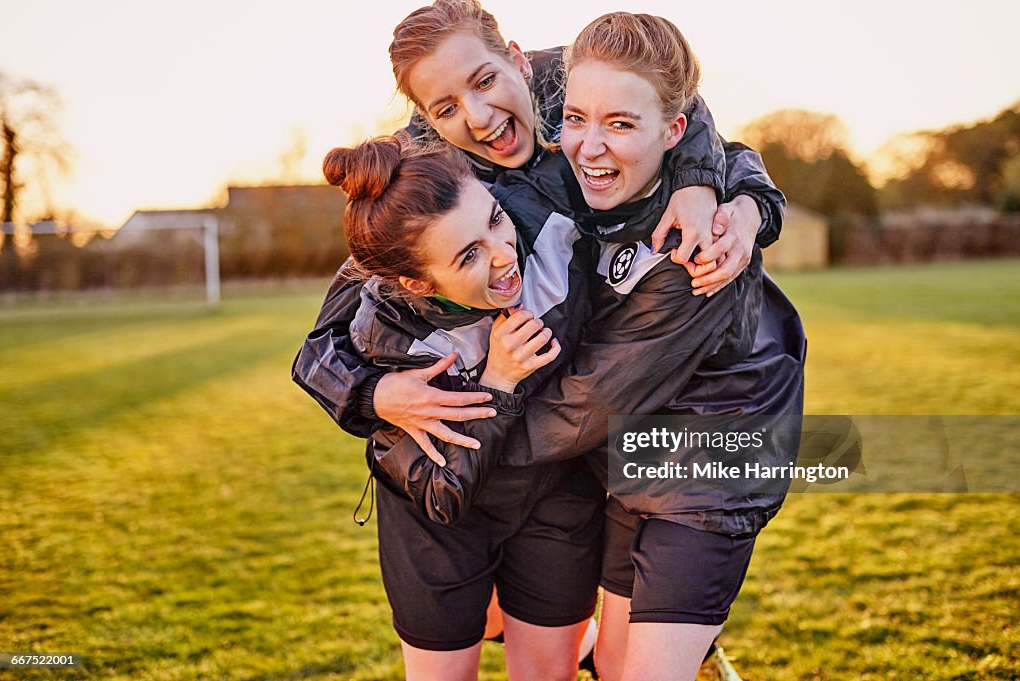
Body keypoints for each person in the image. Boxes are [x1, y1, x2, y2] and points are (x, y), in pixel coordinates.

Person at [293, 0, 785, 462]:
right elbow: (322, 343)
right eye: (445, 109)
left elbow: (677, 94)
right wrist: (373, 394)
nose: (479, 117)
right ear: (426, 120)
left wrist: (733, 198)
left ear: (518, 61)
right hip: (551, 432)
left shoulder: (572, 80)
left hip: (688, 392)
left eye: (485, 81)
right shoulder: (424, 177)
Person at [480, 13, 806, 680]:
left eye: (621, 125)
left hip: (712, 466)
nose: (589, 146)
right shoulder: (586, 178)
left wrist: (470, 440)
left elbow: (588, 401)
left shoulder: (697, 246)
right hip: (634, 456)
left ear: (673, 133)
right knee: (607, 657)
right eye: (576, 118)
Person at [323, 135, 605, 681]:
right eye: (469, 255)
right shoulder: (390, 339)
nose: (504, 253)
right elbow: (439, 492)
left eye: (495, 220)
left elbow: (651, 120)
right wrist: (498, 381)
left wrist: (723, 193)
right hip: (437, 525)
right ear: (418, 282)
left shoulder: (548, 229)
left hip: (554, 496)